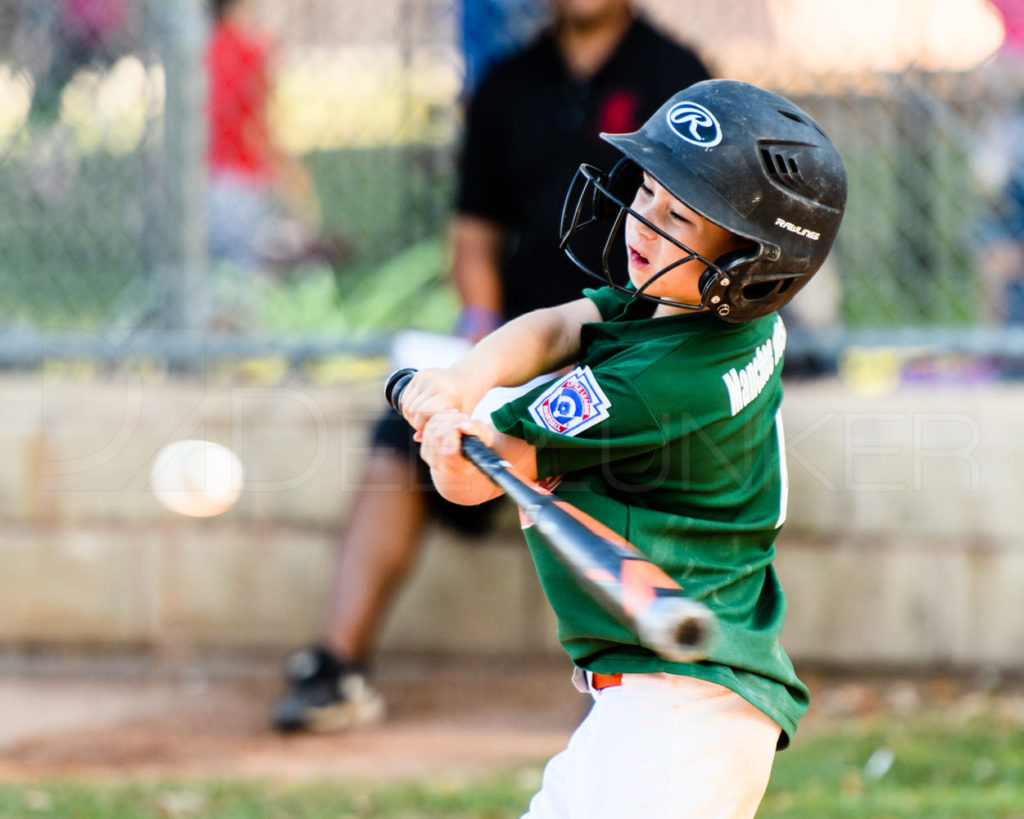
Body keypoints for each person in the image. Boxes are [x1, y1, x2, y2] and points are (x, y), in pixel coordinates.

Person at [395, 79, 847, 817]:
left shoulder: (654, 383)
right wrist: (460, 377)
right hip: (672, 699)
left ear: (750, 266)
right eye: (647, 193)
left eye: (680, 219)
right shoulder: (702, 313)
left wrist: (454, 449)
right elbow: (558, 328)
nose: (643, 222)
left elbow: (481, 480)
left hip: (676, 714)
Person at [270, 0, 710, 733]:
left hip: (637, 347)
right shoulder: (509, 82)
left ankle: (644, 688)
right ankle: (335, 665)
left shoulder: (677, 78)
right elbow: (474, 236)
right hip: (523, 346)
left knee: (638, 457)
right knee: (399, 439)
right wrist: (480, 340)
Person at [206, 0, 346, 272]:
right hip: (241, 189)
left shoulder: (198, 49)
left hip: (203, 186)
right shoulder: (251, 50)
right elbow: (259, 131)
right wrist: (296, 185)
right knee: (286, 246)